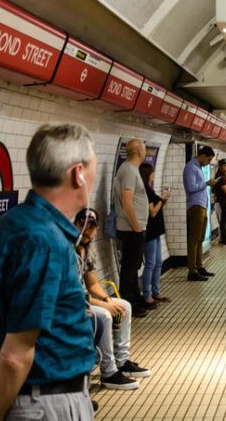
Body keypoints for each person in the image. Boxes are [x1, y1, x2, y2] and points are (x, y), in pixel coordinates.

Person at [0, 124, 97, 421]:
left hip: (25, 399)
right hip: (45, 405)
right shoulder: (43, 242)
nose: (93, 176)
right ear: (78, 173)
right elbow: (16, 354)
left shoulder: (10, 225)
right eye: (92, 167)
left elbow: (0, 323)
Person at [73, 208, 150, 390]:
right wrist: (102, 305)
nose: (85, 231)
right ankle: (108, 372)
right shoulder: (68, 251)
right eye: (81, 225)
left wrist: (108, 300)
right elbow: (72, 293)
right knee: (104, 316)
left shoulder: (87, 249)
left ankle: (121, 360)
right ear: (74, 225)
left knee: (124, 305)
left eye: (90, 227)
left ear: (96, 230)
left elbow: (92, 285)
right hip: (71, 305)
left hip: (83, 300)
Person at [113, 139, 149, 312]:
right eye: (144, 149)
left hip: (134, 227)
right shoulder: (128, 170)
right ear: (139, 152)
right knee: (129, 266)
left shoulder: (131, 169)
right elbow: (127, 201)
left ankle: (135, 297)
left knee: (134, 265)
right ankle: (129, 303)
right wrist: (136, 226)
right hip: (131, 228)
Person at [183, 145, 218, 281]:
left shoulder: (197, 167)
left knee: (200, 238)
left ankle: (199, 266)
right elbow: (191, 187)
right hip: (195, 206)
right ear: (202, 155)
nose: (208, 163)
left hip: (202, 206)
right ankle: (192, 270)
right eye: (208, 160)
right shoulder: (190, 167)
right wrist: (207, 183)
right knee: (194, 239)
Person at [138, 163, 171, 307]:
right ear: (147, 175)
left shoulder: (149, 189)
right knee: (150, 263)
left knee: (158, 262)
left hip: (156, 231)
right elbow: (152, 212)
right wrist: (162, 199)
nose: (154, 175)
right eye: (152, 173)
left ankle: (156, 292)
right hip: (150, 231)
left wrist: (162, 200)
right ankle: (147, 295)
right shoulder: (145, 191)